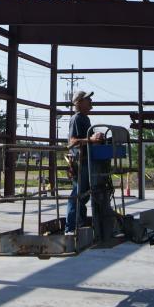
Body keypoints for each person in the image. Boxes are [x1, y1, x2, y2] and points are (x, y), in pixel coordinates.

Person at [66, 90, 104, 233]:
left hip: (87, 161)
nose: (91, 103)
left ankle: (79, 224)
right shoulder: (77, 118)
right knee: (77, 195)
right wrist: (91, 139)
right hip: (80, 162)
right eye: (88, 100)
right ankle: (71, 227)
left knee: (83, 195)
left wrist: (95, 138)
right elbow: (72, 142)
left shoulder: (85, 119)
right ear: (79, 102)